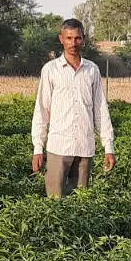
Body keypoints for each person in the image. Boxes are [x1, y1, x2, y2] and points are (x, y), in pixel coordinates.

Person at [30, 18, 116, 198]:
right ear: (61, 39)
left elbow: (100, 110)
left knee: (80, 204)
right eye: (68, 38)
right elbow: (42, 110)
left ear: (83, 39)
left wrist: (108, 147)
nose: (73, 43)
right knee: (55, 203)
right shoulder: (50, 70)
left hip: (84, 148)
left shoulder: (92, 70)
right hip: (58, 147)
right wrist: (38, 147)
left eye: (77, 38)